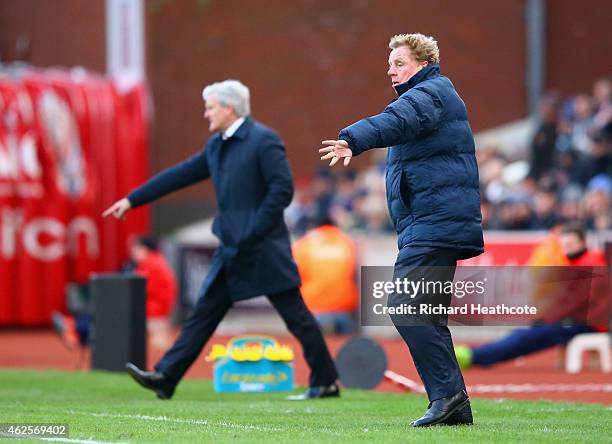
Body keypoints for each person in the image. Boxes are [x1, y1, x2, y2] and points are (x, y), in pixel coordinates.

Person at [103, 80, 338, 400]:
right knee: (203, 314)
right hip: (231, 248)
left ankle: (325, 381)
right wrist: (133, 199)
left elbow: (282, 190)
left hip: (263, 248)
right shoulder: (217, 146)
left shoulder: (263, 140)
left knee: (295, 316)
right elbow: (179, 174)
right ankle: (166, 376)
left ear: (229, 108)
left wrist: (253, 230)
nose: (205, 113)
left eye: (210, 107)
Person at [319, 33, 483, 426]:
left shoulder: (431, 93)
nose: (390, 71)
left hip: (435, 224)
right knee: (424, 313)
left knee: (405, 307)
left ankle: (448, 397)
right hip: (431, 224)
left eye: (399, 63)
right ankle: (452, 405)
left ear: (423, 64)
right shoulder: (429, 95)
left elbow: (396, 120)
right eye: (390, 64)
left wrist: (352, 139)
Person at [454, 223, 609, 369]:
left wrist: (552, 317)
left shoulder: (592, 262)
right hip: (574, 320)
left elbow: (582, 302)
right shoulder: (575, 263)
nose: (566, 249)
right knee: (527, 335)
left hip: (587, 323)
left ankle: (474, 357)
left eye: (570, 245)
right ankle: (477, 356)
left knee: (528, 337)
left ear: (582, 243)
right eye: (564, 245)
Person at [292, 216, 358, 334]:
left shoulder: (304, 244)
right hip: (343, 309)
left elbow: (294, 277)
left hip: (314, 308)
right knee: (345, 349)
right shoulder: (348, 243)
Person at [128, 235, 178, 348]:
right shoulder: (156, 260)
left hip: (154, 310)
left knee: (158, 348)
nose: (132, 253)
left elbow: (141, 289)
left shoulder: (150, 264)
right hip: (158, 309)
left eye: (135, 249)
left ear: (144, 249)